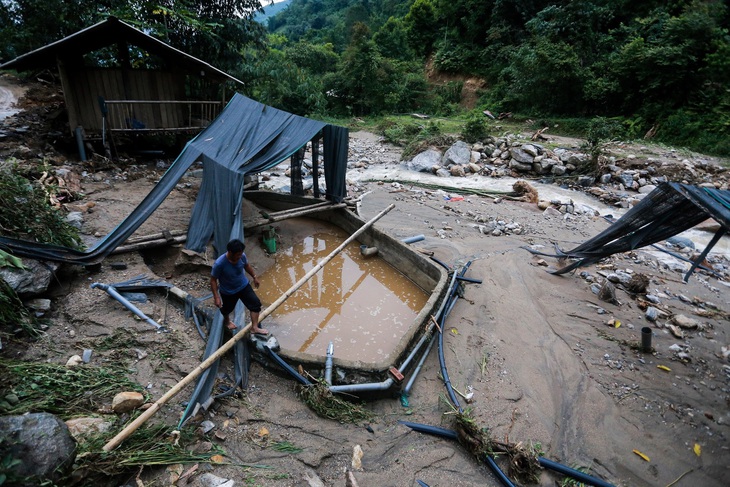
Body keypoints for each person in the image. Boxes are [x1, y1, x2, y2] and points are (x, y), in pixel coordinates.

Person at [210, 239, 268, 335]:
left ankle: (254, 328)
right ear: (230, 252)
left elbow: (247, 266)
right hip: (228, 291)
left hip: (243, 286)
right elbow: (213, 280)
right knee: (227, 309)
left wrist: (254, 277)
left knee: (256, 304)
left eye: (241, 254)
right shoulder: (219, 264)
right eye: (237, 255)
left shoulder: (242, 256)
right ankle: (227, 321)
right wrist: (216, 297)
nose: (240, 257)